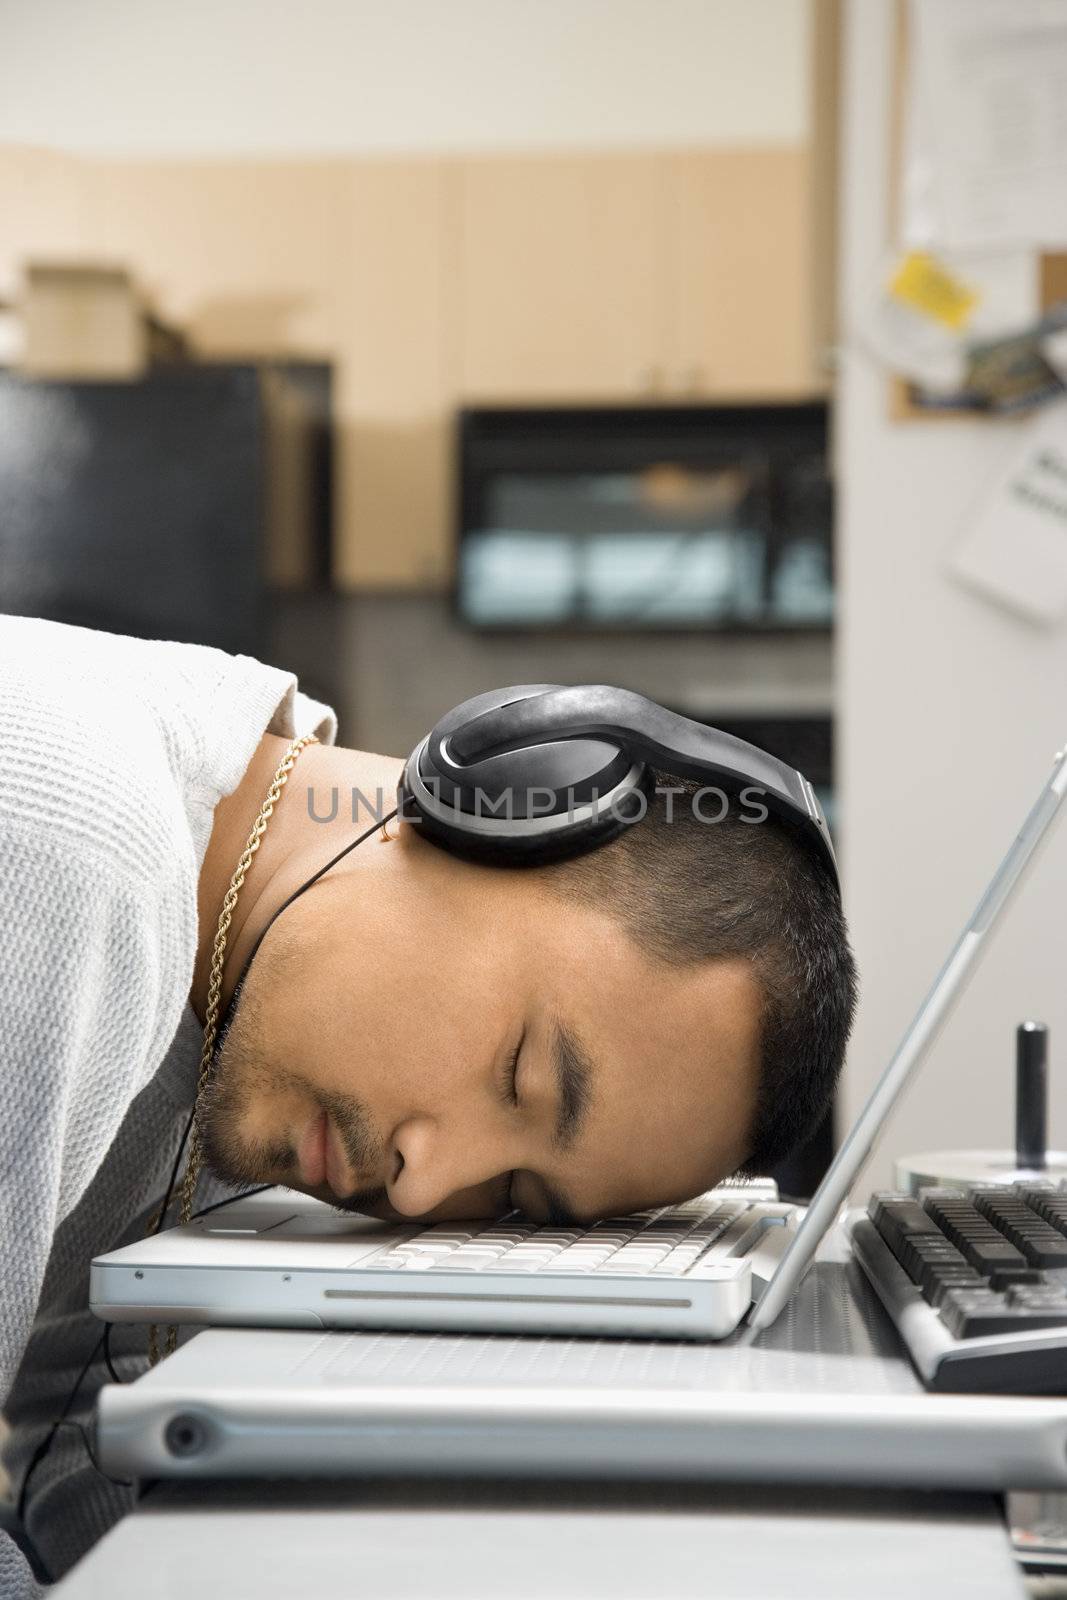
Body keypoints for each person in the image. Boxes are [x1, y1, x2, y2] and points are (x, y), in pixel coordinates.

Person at [0, 614, 857, 1592]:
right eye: (519, 1075)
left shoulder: (247, 994)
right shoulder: (75, 852)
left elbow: (82, 1466)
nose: (422, 1185)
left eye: (517, 1195)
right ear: (494, 800)